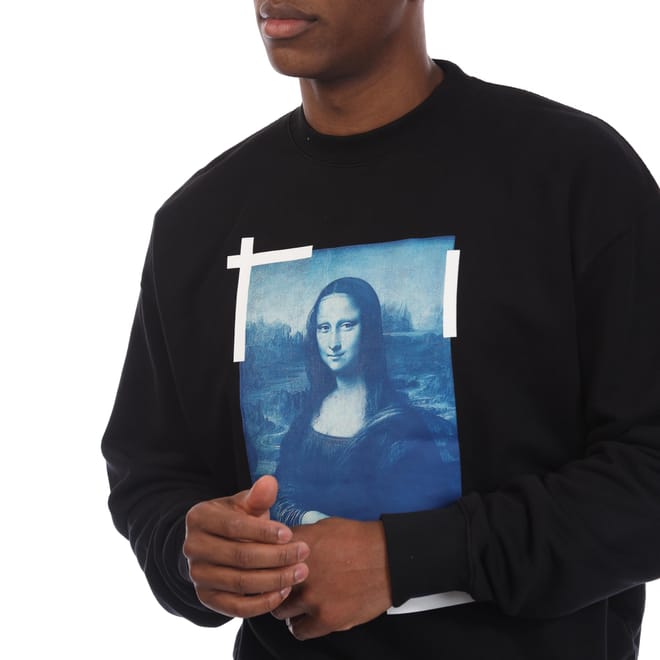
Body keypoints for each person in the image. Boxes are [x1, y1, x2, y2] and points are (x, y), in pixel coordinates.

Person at [101, 1, 660, 658]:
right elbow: (152, 476)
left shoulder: (573, 176)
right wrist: (192, 549)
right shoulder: (197, 222)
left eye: (350, 325)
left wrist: (408, 558)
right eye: (324, 327)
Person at [271, 276, 460, 525]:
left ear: (368, 331)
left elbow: (418, 522)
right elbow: (280, 493)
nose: (333, 343)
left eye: (347, 325)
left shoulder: (399, 426)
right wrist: (308, 519)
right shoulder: (308, 417)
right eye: (324, 328)